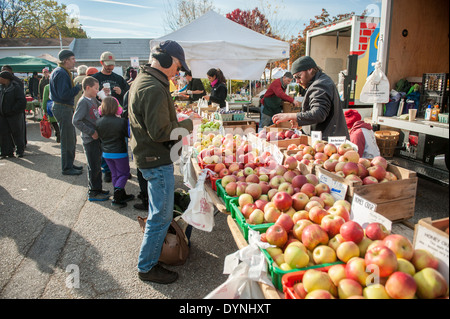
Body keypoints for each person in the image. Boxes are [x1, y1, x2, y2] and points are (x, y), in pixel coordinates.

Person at [128, 40, 199, 284]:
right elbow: (160, 132)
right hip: (156, 160)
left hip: (152, 157)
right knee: (161, 216)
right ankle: (146, 267)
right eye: (177, 66)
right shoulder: (152, 87)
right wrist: (188, 123)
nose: (177, 72)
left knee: (159, 212)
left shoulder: (149, 82)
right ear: (166, 59)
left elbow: (156, 123)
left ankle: (152, 257)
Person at [272, 56, 349, 140]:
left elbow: (318, 114)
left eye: (298, 76)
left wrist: (291, 116)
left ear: (310, 70)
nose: (297, 81)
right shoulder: (321, 81)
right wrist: (301, 121)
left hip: (329, 141)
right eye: (295, 78)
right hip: (328, 138)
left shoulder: (320, 85)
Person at [92, 52, 129, 183]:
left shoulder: (118, 78)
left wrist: (122, 92)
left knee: (122, 142)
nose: (110, 68)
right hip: (102, 116)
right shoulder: (95, 78)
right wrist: (100, 93)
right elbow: (90, 94)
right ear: (101, 63)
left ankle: (123, 169)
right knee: (105, 144)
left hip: (118, 116)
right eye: (108, 65)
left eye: (112, 65)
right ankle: (107, 170)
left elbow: (129, 93)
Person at [72, 76, 110, 202]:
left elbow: (102, 107)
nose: (97, 91)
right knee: (93, 166)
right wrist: (91, 132)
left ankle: (98, 189)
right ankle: (93, 192)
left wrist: (105, 96)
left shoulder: (92, 99)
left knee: (97, 165)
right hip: (90, 139)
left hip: (96, 138)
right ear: (87, 88)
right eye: (96, 88)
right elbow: (76, 120)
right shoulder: (83, 102)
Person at [49, 49, 83, 175]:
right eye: (72, 59)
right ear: (65, 60)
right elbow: (64, 94)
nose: (74, 61)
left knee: (70, 138)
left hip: (62, 107)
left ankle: (69, 164)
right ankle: (67, 167)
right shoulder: (62, 73)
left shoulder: (59, 71)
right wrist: (77, 88)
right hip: (63, 107)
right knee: (68, 139)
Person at [96, 96, 134, 208]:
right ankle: (117, 197)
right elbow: (128, 134)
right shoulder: (122, 122)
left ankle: (122, 194)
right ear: (117, 108)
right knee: (124, 173)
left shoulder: (98, 122)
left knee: (115, 174)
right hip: (119, 152)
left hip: (106, 153)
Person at [0, 71, 27, 158]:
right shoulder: (1, 88)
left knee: (17, 133)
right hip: (3, 115)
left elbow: (22, 101)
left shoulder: (15, 87)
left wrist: (13, 110)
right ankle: (6, 152)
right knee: (4, 134)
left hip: (14, 115)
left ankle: (20, 151)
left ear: (5, 79)